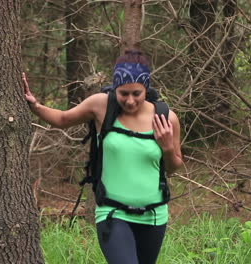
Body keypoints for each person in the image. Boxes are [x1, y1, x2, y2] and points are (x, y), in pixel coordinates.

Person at [22, 50, 183, 264]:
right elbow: (62, 118)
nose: (130, 100)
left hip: (153, 217)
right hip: (112, 213)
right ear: (115, 87)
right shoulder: (101, 106)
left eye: (137, 93)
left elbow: (173, 168)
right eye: (123, 93)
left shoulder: (166, 118)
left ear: (147, 88)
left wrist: (167, 148)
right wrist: (35, 106)